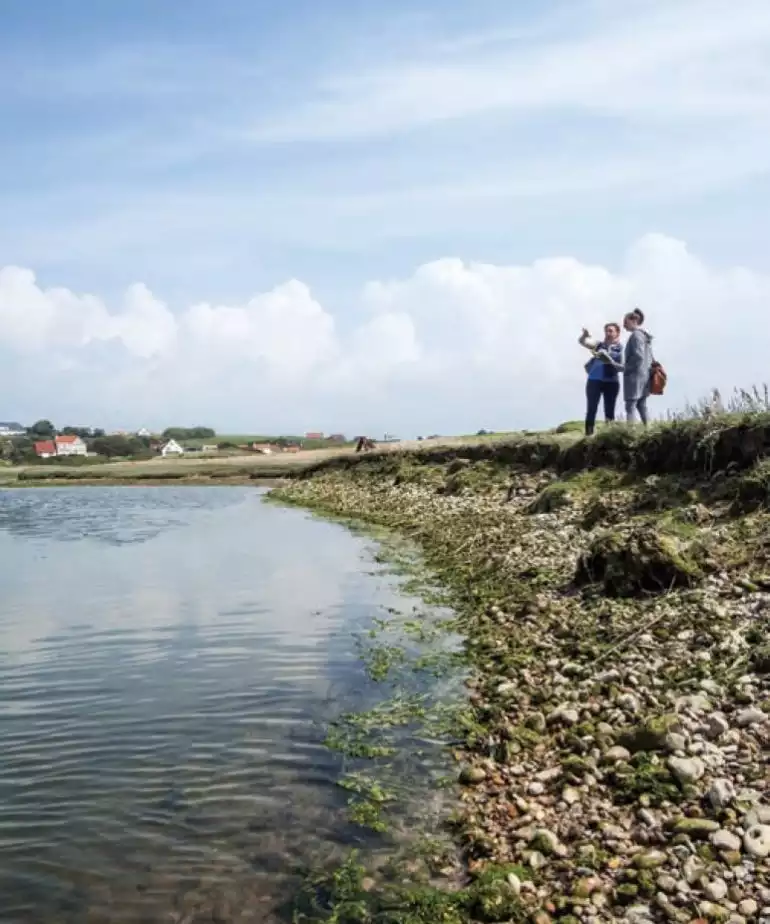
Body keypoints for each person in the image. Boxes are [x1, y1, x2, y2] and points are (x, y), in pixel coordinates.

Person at [578, 322, 623, 436]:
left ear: (617, 333)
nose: (608, 333)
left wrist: (611, 362)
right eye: (606, 331)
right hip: (594, 380)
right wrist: (584, 335)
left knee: (609, 410)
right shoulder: (599, 345)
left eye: (611, 331)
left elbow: (624, 367)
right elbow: (583, 342)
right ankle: (588, 435)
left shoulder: (621, 349)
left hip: (612, 382)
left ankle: (609, 435)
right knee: (591, 408)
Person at [620, 308, 654, 424]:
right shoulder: (645, 336)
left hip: (635, 376)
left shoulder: (636, 335)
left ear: (633, 320)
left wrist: (626, 368)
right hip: (644, 374)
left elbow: (638, 357)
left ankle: (631, 433)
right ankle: (649, 431)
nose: (624, 325)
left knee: (630, 405)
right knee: (641, 405)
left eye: (625, 322)